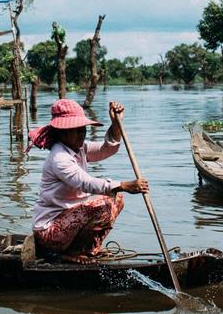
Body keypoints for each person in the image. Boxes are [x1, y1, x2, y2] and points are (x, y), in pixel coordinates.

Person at [29, 98, 148, 263]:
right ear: (62, 132)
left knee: (116, 199)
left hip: (69, 225)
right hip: (50, 232)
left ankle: (87, 249)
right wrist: (122, 185)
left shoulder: (79, 149)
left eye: (83, 129)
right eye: (76, 131)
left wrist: (116, 124)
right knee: (103, 204)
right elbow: (86, 183)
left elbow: (106, 149)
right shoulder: (59, 157)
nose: (82, 134)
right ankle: (71, 252)